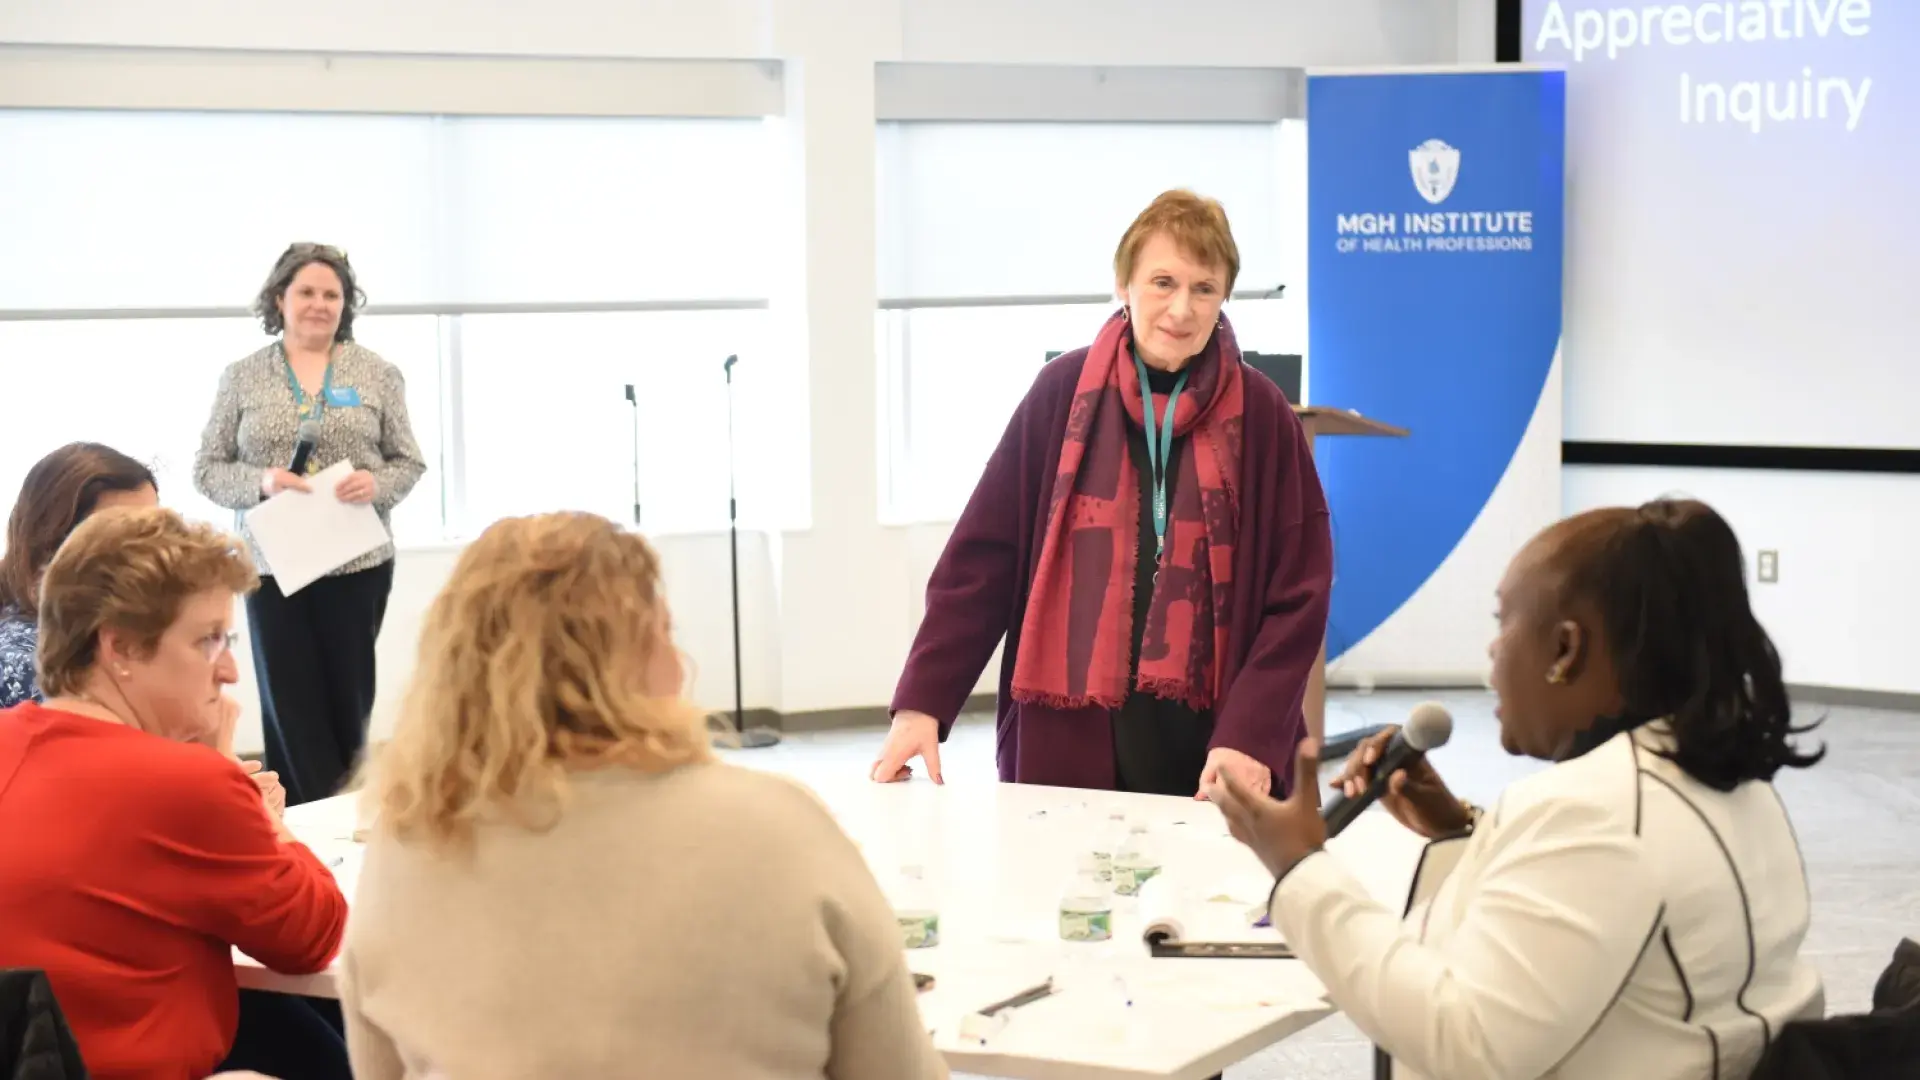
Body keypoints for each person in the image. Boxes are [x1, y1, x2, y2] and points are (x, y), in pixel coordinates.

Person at [1211, 498, 1826, 1080]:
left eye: (1503, 621)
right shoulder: (1721, 779)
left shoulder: (1598, 815)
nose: (1493, 647)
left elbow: (1464, 1040)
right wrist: (1459, 831)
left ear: (1565, 647)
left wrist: (1300, 868)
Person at [339, 512, 948, 1080]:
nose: (680, 666)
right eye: (663, 634)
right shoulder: (782, 830)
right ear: (637, 657)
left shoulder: (407, 845)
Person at [874, 189, 1333, 798]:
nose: (1181, 308)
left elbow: (1299, 591)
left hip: (1217, 745)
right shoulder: (1061, 394)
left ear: (1225, 296)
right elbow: (984, 559)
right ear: (1124, 283)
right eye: (1162, 282)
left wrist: (1250, 734)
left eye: (1204, 288)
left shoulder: (1262, 413)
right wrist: (922, 704)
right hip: (1072, 735)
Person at [0, 506, 350, 1080]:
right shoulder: (185, 781)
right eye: (209, 640)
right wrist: (231, 776)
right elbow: (316, 934)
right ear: (121, 650)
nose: (231, 670)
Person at [194, 242, 427, 807]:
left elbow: (408, 461)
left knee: (348, 703)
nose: (319, 304)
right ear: (281, 298)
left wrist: (379, 486)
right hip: (274, 567)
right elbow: (207, 470)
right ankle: (300, 820)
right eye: (307, 292)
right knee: (290, 706)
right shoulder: (242, 377)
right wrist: (263, 482)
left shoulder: (376, 373)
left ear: (346, 304)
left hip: (357, 564)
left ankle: (348, 814)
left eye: (332, 294)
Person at [0, 443, 158, 709]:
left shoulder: (105, 631)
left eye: (157, 529)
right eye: (125, 538)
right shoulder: (27, 663)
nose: (155, 552)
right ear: (54, 547)